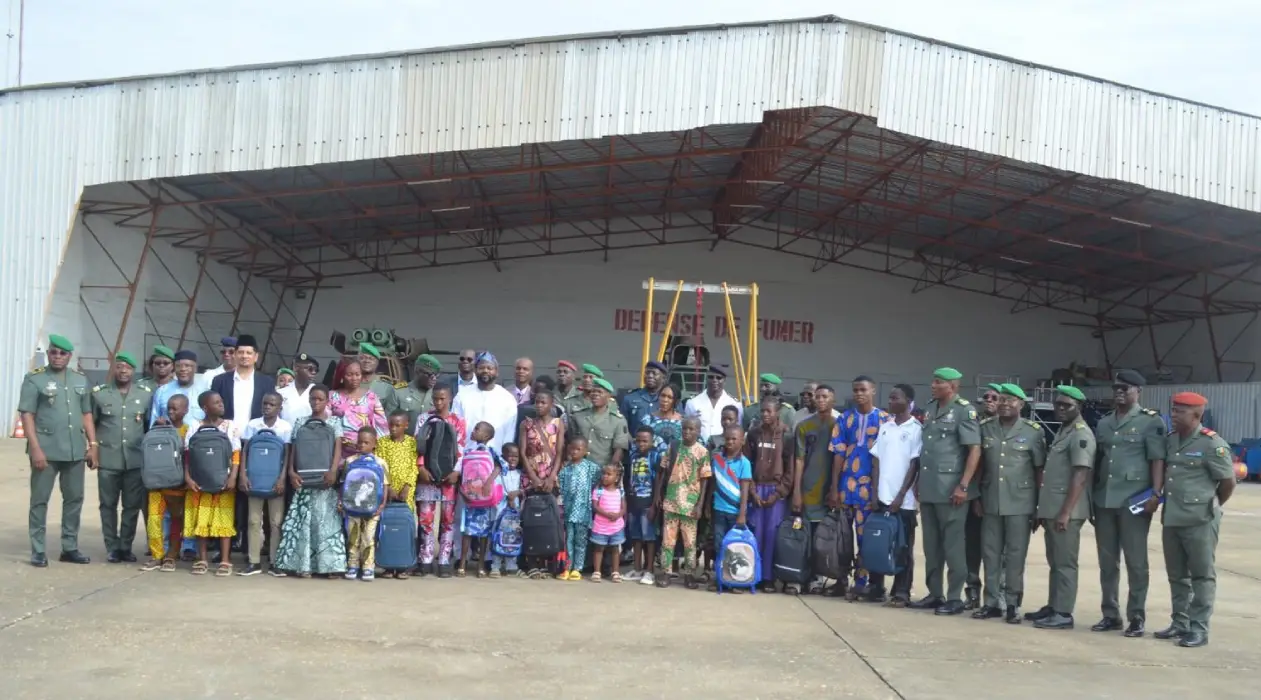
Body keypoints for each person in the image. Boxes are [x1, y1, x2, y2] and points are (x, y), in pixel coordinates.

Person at [1155, 392, 1235, 648]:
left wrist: (1211, 505)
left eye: (1180, 411)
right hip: (1173, 518)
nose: (1174, 415)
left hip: (1200, 520)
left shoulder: (1212, 444)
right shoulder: (1171, 441)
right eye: (1174, 410)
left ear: (1197, 415)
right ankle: (1180, 623)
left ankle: (1198, 628)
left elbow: (1227, 482)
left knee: (1202, 576)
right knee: (1177, 575)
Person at [1091, 369, 1166, 638]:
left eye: (1126, 388)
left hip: (1134, 500)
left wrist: (1156, 494)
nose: (1120, 393)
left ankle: (1136, 616)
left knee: (1136, 561)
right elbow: (1099, 461)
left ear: (1138, 392)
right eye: (1116, 389)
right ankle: (1110, 614)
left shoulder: (1150, 422)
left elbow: (1157, 459)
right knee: (1107, 562)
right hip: (1105, 498)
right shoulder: (1104, 423)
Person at [21, 334, 96, 567]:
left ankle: (69, 547)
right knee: (40, 501)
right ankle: (38, 550)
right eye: (54, 352)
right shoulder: (35, 379)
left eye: (62, 353)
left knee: (74, 499)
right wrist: (35, 449)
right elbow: (27, 414)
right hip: (46, 450)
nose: (57, 356)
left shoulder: (80, 380)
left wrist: (93, 445)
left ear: (70, 356)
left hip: (74, 451)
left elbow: (86, 414)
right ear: (49, 353)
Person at [911, 368, 982, 615]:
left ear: (952, 386)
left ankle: (954, 597)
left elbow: (974, 450)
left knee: (953, 546)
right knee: (931, 545)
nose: (933, 385)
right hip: (931, 487)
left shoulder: (964, 410)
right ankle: (935, 593)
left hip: (952, 490)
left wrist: (963, 485)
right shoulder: (930, 408)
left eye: (938, 382)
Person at [974, 383, 1045, 623]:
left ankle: (1013, 603)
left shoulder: (1033, 431)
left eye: (1011, 400)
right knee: (990, 554)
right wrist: (976, 497)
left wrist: (1038, 506)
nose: (1005, 404)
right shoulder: (986, 428)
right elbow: (980, 466)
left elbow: (1039, 470)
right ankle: (991, 602)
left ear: (1021, 405)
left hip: (1021, 503)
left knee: (1015, 556)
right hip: (991, 500)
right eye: (1002, 399)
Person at [1028, 385, 1096, 630]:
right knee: (1055, 561)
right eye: (1058, 404)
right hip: (1054, 508)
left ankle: (1064, 613)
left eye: (1067, 405)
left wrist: (1066, 512)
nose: (1060, 409)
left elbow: (1081, 474)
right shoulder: (1064, 431)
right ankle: (1054, 605)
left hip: (1067, 511)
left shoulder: (1080, 434)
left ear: (1079, 407)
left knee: (1065, 563)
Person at [828, 375, 891, 600]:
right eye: (855, 390)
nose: (859, 394)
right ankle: (842, 580)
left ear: (873, 391)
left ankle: (866, 583)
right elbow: (837, 454)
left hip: (870, 491)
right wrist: (834, 488)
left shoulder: (885, 420)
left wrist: (879, 491)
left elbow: (886, 459)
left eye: (863, 389)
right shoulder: (845, 419)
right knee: (844, 539)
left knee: (868, 538)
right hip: (847, 488)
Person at [274, 385, 347, 578]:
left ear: (327, 401)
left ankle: (330, 566)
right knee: (303, 523)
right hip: (303, 480)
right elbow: (293, 450)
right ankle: (303, 565)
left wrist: (333, 471)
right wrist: (291, 472)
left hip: (325, 481)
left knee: (327, 524)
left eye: (320, 399)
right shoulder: (300, 422)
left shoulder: (335, 422)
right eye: (313, 399)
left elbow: (338, 449)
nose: (315, 402)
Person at [91, 351, 153, 564]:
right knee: (107, 505)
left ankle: (125, 546)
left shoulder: (145, 394)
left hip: (134, 460)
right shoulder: (100, 394)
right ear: (114, 369)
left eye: (127, 367)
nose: (123, 371)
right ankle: (112, 547)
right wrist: (92, 449)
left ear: (133, 371)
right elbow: (90, 425)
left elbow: (147, 426)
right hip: (108, 459)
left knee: (131, 505)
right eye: (119, 366)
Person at [869, 384, 922, 607]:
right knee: (877, 543)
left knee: (903, 548)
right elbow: (876, 460)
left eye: (895, 397)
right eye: (890, 398)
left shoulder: (916, 428)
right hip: (882, 497)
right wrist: (874, 492)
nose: (890, 401)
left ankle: (901, 591)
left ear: (908, 401)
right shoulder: (886, 427)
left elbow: (914, 463)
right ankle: (875, 587)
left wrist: (901, 496)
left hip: (904, 502)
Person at [183, 391, 242, 577]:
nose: (221, 404)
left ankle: (225, 560)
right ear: (205, 407)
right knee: (202, 520)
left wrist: (233, 477)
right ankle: (202, 559)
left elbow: (236, 455)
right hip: (199, 483)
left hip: (223, 483)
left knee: (224, 520)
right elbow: (187, 456)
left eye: (221, 401)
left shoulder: (230, 426)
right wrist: (188, 478)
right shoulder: (194, 426)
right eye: (216, 402)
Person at [238, 391, 292, 576]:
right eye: (265, 403)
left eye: (272, 404)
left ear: (279, 407)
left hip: (276, 481)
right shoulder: (253, 425)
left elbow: (287, 455)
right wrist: (243, 476)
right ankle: (253, 561)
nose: (267, 407)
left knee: (276, 522)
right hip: (254, 479)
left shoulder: (285, 427)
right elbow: (245, 451)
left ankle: (275, 561)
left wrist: (282, 479)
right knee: (253, 521)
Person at [415, 385, 466, 577]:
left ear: (450, 398)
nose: (438, 402)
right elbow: (418, 445)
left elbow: (461, 448)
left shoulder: (457, 421)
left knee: (448, 520)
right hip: (427, 476)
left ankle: (444, 559)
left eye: (442, 399)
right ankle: (425, 558)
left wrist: (456, 472)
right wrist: (421, 468)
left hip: (449, 478)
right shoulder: (423, 418)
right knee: (426, 519)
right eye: (435, 399)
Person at [654, 416, 711, 589]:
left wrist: (700, 504)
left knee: (689, 542)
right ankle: (665, 572)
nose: (687, 432)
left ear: (698, 431)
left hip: (690, 504)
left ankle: (689, 574)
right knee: (668, 540)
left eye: (691, 429)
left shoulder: (702, 452)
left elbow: (705, 479)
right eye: (685, 428)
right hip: (671, 501)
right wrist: (658, 494)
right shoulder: (673, 447)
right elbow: (662, 472)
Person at [791, 384, 837, 593]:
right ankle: (801, 575)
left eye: (824, 396)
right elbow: (799, 461)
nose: (820, 400)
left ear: (832, 400)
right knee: (805, 535)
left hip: (830, 489)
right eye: (817, 396)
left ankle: (820, 577)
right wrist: (797, 492)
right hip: (809, 488)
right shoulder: (804, 426)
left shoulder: (839, 425)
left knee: (825, 537)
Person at [746, 395, 794, 593]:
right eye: (763, 411)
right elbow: (747, 465)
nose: (765, 414)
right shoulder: (754, 433)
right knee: (755, 533)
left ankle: (768, 578)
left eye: (769, 411)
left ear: (777, 413)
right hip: (757, 488)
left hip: (775, 491)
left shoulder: (786, 435)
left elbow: (790, 469)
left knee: (772, 535)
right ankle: (753, 575)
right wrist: (752, 490)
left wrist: (779, 493)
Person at [143, 393, 191, 572]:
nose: (171, 411)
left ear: (185, 410)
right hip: (156, 484)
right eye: (169, 408)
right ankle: (157, 555)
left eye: (175, 408)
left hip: (177, 485)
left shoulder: (188, 430)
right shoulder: (157, 428)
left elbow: (189, 458)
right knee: (154, 519)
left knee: (176, 520)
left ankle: (171, 555)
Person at [967, 383, 1004, 609]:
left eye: (995, 397)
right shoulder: (974, 425)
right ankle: (971, 592)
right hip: (973, 496)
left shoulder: (1009, 429)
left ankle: (997, 596)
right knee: (971, 549)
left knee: (998, 552)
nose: (989, 400)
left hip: (998, 498)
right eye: (986, 397)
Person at [340, 427, 389, 582]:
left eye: (366, 442)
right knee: (353, 537)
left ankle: (368, 566)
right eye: (360, 442)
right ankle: (352, 564)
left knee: (368, 537)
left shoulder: (381, 463)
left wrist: (382, 504)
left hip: (372, 508)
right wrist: (342, 501)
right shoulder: (350, 461)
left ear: (374, 444)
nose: (362, 445)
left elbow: (385, 485)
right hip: (352, 507)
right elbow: (344, 483)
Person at [457, 422, 504, 579]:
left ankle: (481, 565)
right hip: (470, 497)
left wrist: (489, 481)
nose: (473, 431)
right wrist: (461, 490)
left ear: (486, 436)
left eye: (477, 429)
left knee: (484, 534)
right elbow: (461, 472)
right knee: (467, 532)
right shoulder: (467, 450)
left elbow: (500, 466)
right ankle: (462, 564)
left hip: (485, 498)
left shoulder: (492, 451)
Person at [710, 423, 752, 592]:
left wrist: (742, 513)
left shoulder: (744, 463)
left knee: (734, 547)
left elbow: (745, 489)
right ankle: (719, 578)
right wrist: (708, 506)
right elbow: (713, 484)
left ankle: (733, 580)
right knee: (719, 545)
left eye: (734, 439)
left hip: (735, 513)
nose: (730, 442)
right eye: (727, 438)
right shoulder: (717, 459)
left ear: (742, 441)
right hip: (719, 510)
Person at [452, 352, 518, 452]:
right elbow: (455, 426)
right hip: (466, 456)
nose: (485, 371)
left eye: (489, 368)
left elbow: (510, 432)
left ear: (496, 372)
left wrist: (502, 459)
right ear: (475, 370)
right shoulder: (462, 395)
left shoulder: (507, 398)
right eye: (481, 368)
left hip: (496, 457)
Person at [556, 436, 602, 581]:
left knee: (580, 541)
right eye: (572, 449)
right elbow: (561, 490)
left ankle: (578, 568)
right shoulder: (565, 470)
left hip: (583, 512)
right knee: (568, 540)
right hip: (569, 512)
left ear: (585, 451)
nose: (575, 452)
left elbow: (597, 481)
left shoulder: (591, 467)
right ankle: (567, 567)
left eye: (579, 449)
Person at [625, 426, 664, 585]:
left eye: (645, 441)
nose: (641, 443)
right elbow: (629, 478)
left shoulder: (655, 456)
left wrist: (655, 503)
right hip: (634, 502)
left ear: (652, 441)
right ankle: (637, 568)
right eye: (638, 440)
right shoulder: (633, 455)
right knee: (636, 537)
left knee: (649, 537)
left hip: (648, 502)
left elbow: (659, 480)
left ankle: (649, 570)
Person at [209, 334, 276, 422]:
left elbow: (271, 411)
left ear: (256, 357)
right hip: (225, 433)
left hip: (256, 433)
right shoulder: (219, 381)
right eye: (241, 352)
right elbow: (213, 410)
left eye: (249, 353)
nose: (244, 356)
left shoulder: (266, 382)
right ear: (235, 355)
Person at [330, 360, 388, 460]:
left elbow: (382, 428)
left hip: (366, 454)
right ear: (342, 376)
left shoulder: (371, 397)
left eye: (357, 374)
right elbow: (326, 424)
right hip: (338, 453)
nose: (354, 378)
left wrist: (372, 446)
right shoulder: (332, 396)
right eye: (349, 375)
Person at [569, 378, 630, 469]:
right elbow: (570, 442)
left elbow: (619, 450)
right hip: (579, 469)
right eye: (593, 391)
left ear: (608, 396)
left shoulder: (617, 420)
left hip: (602, 469)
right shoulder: (579, 415)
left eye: (599, 392)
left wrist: (610, 469)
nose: (595, 394)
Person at [520, 389, 565, 494]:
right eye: (537, 402)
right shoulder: (526, 424)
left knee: (551, 507)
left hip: (552, 474)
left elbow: (559, 453)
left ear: (551, 405)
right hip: (531, 473)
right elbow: (522, 453)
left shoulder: (558, 423)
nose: (539, 405)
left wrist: (552, 477)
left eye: (543, 403)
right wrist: (533, 477)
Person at [490, 442, 523, 578]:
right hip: (500, 511)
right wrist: (507, 497)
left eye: (516, 456)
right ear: (503, 456)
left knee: (513, 537)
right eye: (510, 456)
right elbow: (495, 489)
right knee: (498, 536)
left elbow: (523, 489)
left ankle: (511, 564)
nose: (513, 459)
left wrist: (518, 493)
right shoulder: (499, 473)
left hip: (514, 513)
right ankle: (495, 565)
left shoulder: (519, 473)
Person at [589, 464, 627, 583]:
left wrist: (618, 514)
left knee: (615, 549)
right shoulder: (598, 490)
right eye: (603, 474)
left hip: (616, 527)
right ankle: (597, 571)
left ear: (616, 478)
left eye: (609, 474)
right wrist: (607, 514)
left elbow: (624, 507)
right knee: (599, 548)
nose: (605, 476)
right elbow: (595, 506)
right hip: (601, 526)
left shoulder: (620, 491)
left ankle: (615, 572)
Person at [683, 365, 741, 441]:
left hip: (724, 448)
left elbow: (738, 429)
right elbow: (687, 427)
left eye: (719, 378)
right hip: (699, 448)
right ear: (706, 379)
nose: (714, 380)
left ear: (724, 381)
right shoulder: (693, 402)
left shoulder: (735, 404)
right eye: (711, 377)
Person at [150, 349, 206, 427]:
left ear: (195, 368)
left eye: (187, 366)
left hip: (197, 438)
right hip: (169, 437)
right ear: (174, 368)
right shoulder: (162, 391)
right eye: (178, 366)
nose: (183, 369)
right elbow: (154, 420)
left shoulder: (204, 392)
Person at [396, 354, 441, 434]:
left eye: (436, 375)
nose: (434, 379)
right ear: (417, 371)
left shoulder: (439, 395)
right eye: (429, 374)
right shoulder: (399, 392)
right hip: (404, 444)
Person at [621, 360, 666, 437]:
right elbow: (621, 427)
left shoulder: (670, 399)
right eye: (647, 373)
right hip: (635, 446)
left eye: (654, 373)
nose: (650, 376)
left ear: (663, 378)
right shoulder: (630, 398)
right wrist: (631, 442)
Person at [356, 342, 399, 415]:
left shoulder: (387, 388)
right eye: (362, 358)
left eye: (371, 358)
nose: (366, 361)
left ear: (377, 362)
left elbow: (389, 416)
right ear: (357, 361)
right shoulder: (349, 384)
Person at [641, 383, 683, 450]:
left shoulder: (683, 422)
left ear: (676, 401)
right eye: (663, 396)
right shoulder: (648, 420)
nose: (665, 400)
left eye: (670, 397)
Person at [279, 353, 319, 424]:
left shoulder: (318, 393)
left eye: (316, 370)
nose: (313, 372)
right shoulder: (281, 393)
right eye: (310, 369)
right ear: (296, 368)